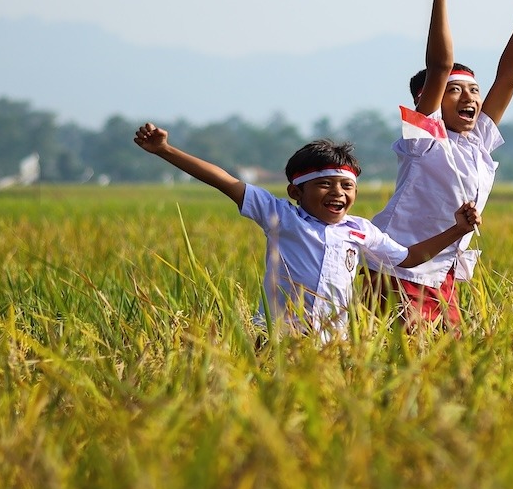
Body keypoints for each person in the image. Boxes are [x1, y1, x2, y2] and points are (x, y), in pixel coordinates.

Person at [132, 124, 479, 338]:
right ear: (296, 192)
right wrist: (164, 150)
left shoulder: (360, 230)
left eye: (346, 186)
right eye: (325, 185)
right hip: (277, 338)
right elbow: (223, 180)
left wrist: (457, 229)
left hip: (334, 343)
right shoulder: (281, 216)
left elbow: (411, 258)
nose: (338, 193)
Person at [369, 0, 513, 325]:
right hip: (398, 270)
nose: (470, 98)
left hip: (443, 272)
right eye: (455, 91)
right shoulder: (423, 140)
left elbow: (510, 77)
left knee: (445, 364)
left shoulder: (478, 143)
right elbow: (440, 65)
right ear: (428, 101)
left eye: (474, 90)